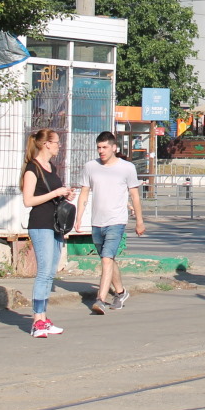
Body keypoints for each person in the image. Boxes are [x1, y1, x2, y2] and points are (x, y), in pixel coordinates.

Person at [74, 132, 145, 315]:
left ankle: (100, 300)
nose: (101, 151)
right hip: (97, 221)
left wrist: (139, 221)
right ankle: (120, 292)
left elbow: (135, 196)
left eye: (105, 147)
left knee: (106, 259)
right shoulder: (90, 166)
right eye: (99, 147)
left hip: (117, 220)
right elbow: (84, 192)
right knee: (108, 259)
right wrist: (79, 217)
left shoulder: (127, 168)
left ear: (114, 147)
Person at [20, 128, 73, 339]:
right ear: (45, 144)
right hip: (40, 224)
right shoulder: (32, 169)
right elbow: (28, 200)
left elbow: (53, 196)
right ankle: (37, 321)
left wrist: (65, 194)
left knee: (51, 272)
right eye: (56, 142)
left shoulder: (51, 167)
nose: (58, 146)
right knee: (43, 273)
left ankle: (43, 317)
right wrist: (55, 193)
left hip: (55, 224)